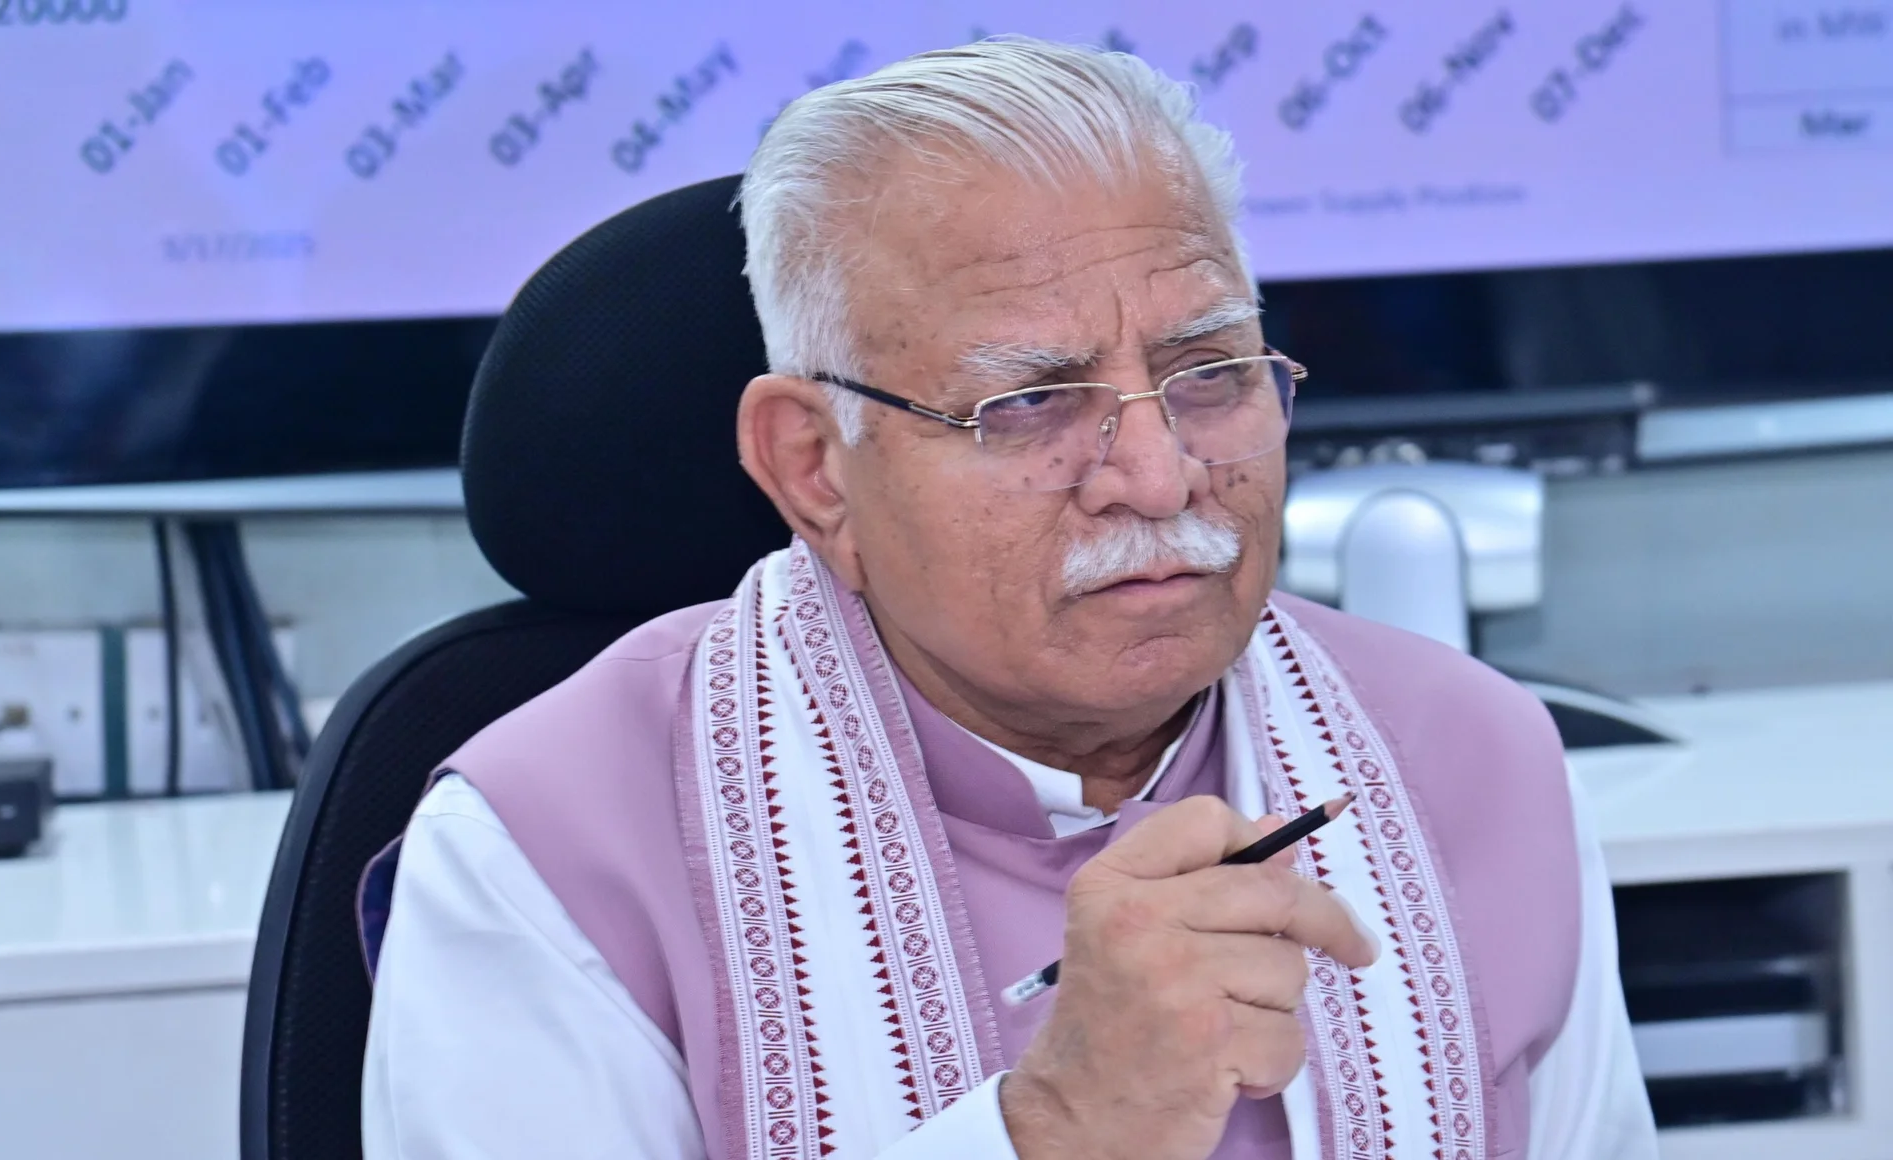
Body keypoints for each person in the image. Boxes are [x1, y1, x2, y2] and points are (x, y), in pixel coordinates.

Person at [359, 37, 1656, 1160]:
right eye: (1029, 402)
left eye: (1210, 373)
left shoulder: (1467, 760)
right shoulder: (550, 845)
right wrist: (1057, 1127)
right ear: (815, 468)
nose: (1159, 476)